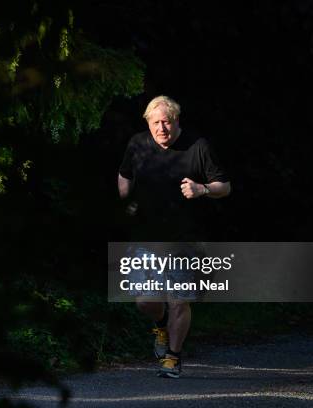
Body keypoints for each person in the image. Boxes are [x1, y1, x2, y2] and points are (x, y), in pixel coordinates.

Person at [118, 95, 231, 378]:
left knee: (179, 299)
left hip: (185, 239)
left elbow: (224, 186)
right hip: (146, 237)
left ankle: (173, 357)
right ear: (148, 123)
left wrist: (203, 189)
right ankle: (161, 325)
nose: (161, 129)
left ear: (176, 120)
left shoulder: (198, 146)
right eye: (155, 123)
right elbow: (124, 175)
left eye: (166, 122)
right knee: (146, 301)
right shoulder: (137, 144)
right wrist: (126, 199)